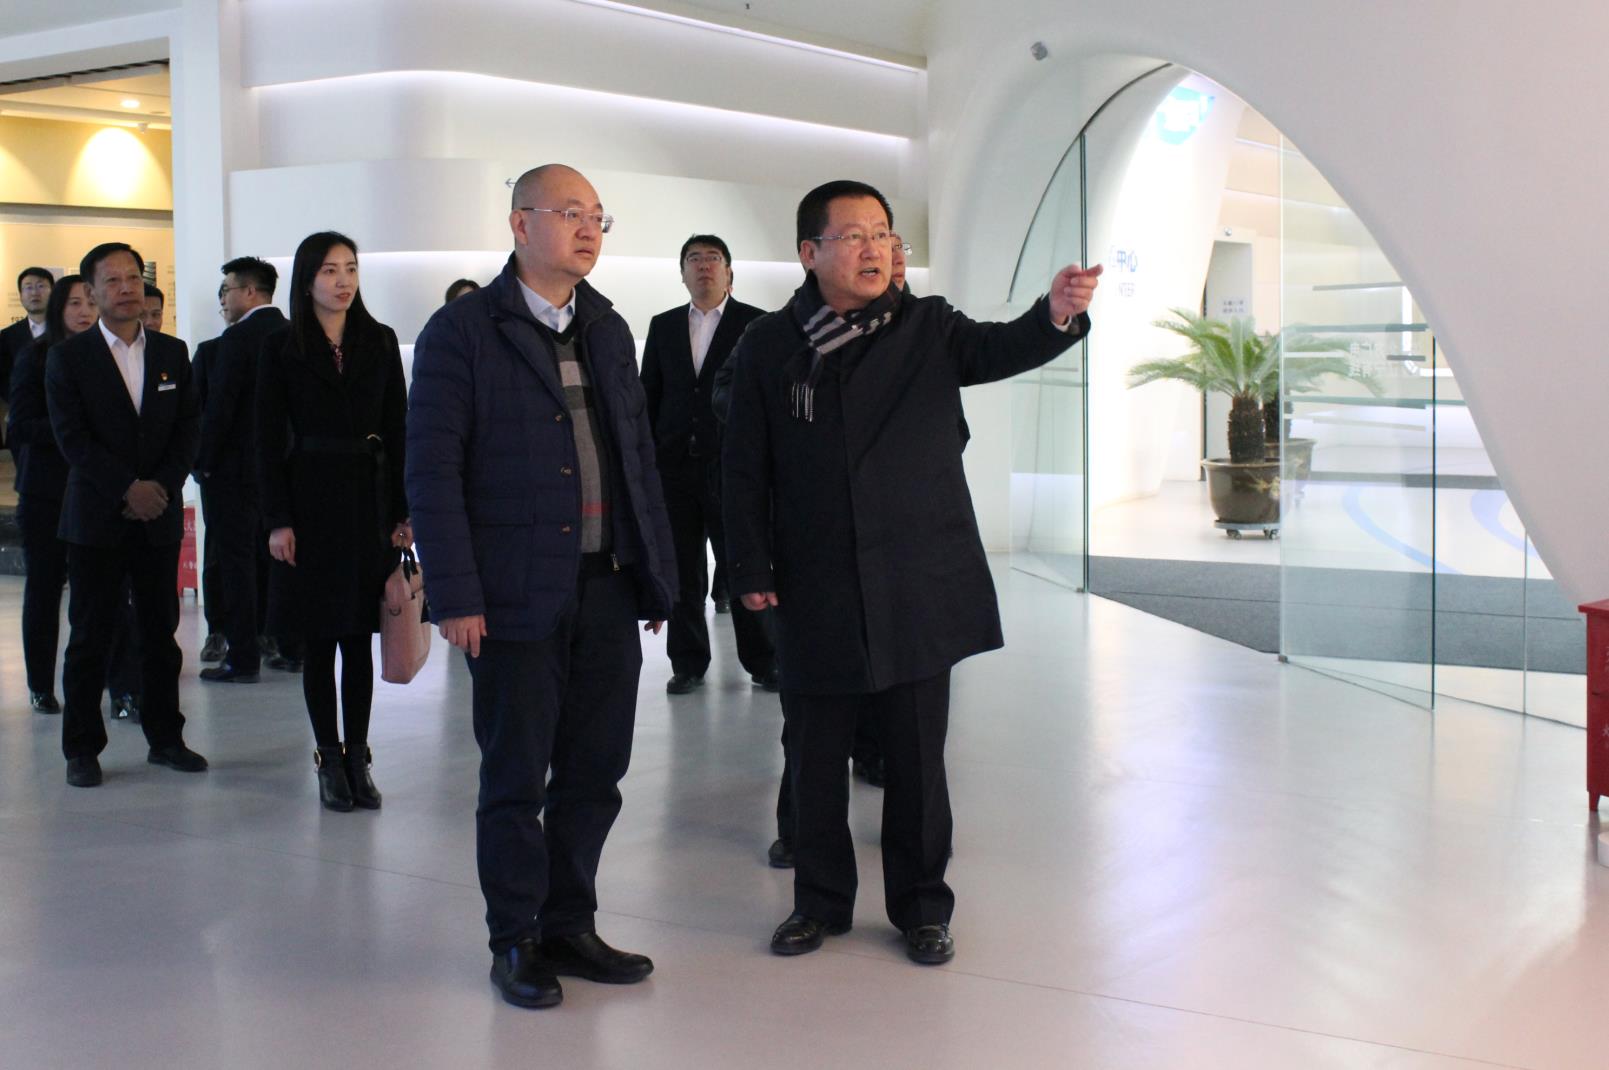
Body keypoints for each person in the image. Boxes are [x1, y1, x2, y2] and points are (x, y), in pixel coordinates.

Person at [722, 180, 1100, 965]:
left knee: (916, 759)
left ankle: (923, 907)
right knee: (815, 755)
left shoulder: (927, 325)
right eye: (854, 235)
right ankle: (818, 904)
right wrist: (748, 563)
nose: (875, 249)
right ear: (809, 253)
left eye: (883, 234)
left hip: (916, 575)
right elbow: (742, 465)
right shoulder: (768, 344)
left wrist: (1055, 313)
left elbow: (1000, 348)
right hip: (814, 578)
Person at [408, 163, 675, 1010]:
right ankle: (515, 938)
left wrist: (657, 578)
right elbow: (431, 471)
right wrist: (455, 595)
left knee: (595, 771)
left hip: (607, 586)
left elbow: (638, 459)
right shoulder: (462, 331)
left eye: (597, 216)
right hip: (512, 593)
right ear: (520, 224)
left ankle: (569, 923)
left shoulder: (607, 326)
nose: (588, 229)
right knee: (516, 778)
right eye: (569, 213)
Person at [257, 232, 409, 811]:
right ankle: (327, 757)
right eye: (329, 271)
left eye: (350, 269)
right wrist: (278, 519)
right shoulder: (281, 346)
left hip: (369, 500)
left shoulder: (379, 338)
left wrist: (404, 511)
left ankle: (359, 757)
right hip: (309, 501)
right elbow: (265, 440)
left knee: (358, 637)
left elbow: (399, 428)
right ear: (306, 280)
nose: (343, 281)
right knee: (320, 640)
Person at [47, 242, 206, 787]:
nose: (126, 288)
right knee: (91, 635)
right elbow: (72, 439)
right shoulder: (69, 357)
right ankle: (82, 748)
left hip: (158, 515)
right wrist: (127, 489)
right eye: (112, 280)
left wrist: (159, 487)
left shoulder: (171, 352)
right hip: (96, 519)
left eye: (133, 278)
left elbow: (188, 428)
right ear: (91, 293)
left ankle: (166, 739)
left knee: (161, 634)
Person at [640, 234, 775, 696]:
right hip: (674, 468)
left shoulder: (756, 323)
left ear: (729, 271)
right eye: (694, 259)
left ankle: (764, 660)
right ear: (682, 273)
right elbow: (648, 395)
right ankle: (688, 662)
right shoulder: (663, 326)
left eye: (713, 258)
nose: (703, 266)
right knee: (681, 570)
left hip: (733, 466)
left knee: (742, 564)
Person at [197, 257, 287, 684]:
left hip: (236, 471)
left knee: (236, 564)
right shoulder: (295, 333)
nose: (224, 299)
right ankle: (290, 645)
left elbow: (221, 408)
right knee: (283, 559)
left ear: (250, 291)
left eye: (227, 290)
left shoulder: (237, 339)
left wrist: (203, 462)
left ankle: (243, 657)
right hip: (286, 469)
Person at [0, 267, 52, 407]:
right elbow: (3, 377)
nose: (35, 292)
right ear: (21, 296)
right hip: (22, 408)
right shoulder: (7, 335)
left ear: (53, 292)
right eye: (28, 287)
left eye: (41, 286)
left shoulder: (65, 330)